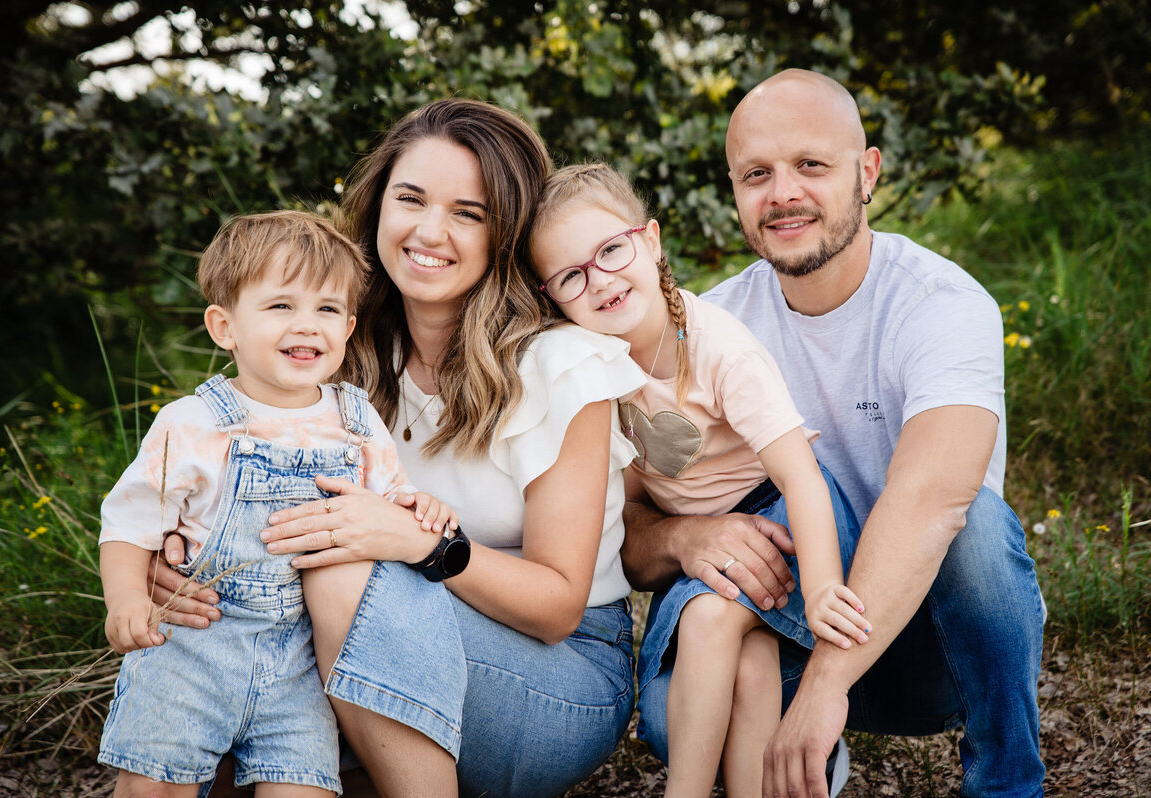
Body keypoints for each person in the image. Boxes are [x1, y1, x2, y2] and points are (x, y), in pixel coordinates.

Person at [148, 99, 646, 798]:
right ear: (378, 206)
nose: (430, 231)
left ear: (506, 234)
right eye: (410, 199)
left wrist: (418, 543)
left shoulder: (560, 367)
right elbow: (270, 510)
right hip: (378, 635)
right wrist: (183, 565)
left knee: (344, 575)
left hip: (553, 679)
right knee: (204, 681)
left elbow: (559, 605)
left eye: (469, 214)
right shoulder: (338, 350)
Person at [622, 69, 1046, 798]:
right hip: (786, 619)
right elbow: (630, 528)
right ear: (733, 189)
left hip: (925, 644)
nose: (782, 192)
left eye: (810, 165)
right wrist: (682, 539)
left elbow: (933, 500)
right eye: (757, 173)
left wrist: (827, 684)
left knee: (970, 519)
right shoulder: (709, 330)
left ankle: (1006, 780)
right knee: (670, 717)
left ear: (867, 172)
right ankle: (805, 761)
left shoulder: (940, 305)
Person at [527, 162, 869, 798]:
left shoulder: (717, 348)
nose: (598, 279)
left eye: (610, 250)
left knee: (711, 624)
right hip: (705, 542)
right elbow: (630, 506)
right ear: (550, 297)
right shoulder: (591, 366)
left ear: (650, 240)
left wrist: (822, 588)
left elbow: (801, 477)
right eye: (571, 275)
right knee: (752, 664)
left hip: (791, 518)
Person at [97, 210, 457, 796]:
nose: (307, 325)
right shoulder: (192, 424)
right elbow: (130, 525)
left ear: (348, 326)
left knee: (302, 785)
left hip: (300, 665)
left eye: (326, 309)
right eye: (281, 306)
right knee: (154, 785)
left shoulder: (356, 419)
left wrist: (422, 507)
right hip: (191, 652)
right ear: (224, 327)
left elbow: (386, 501)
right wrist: (127, 599)